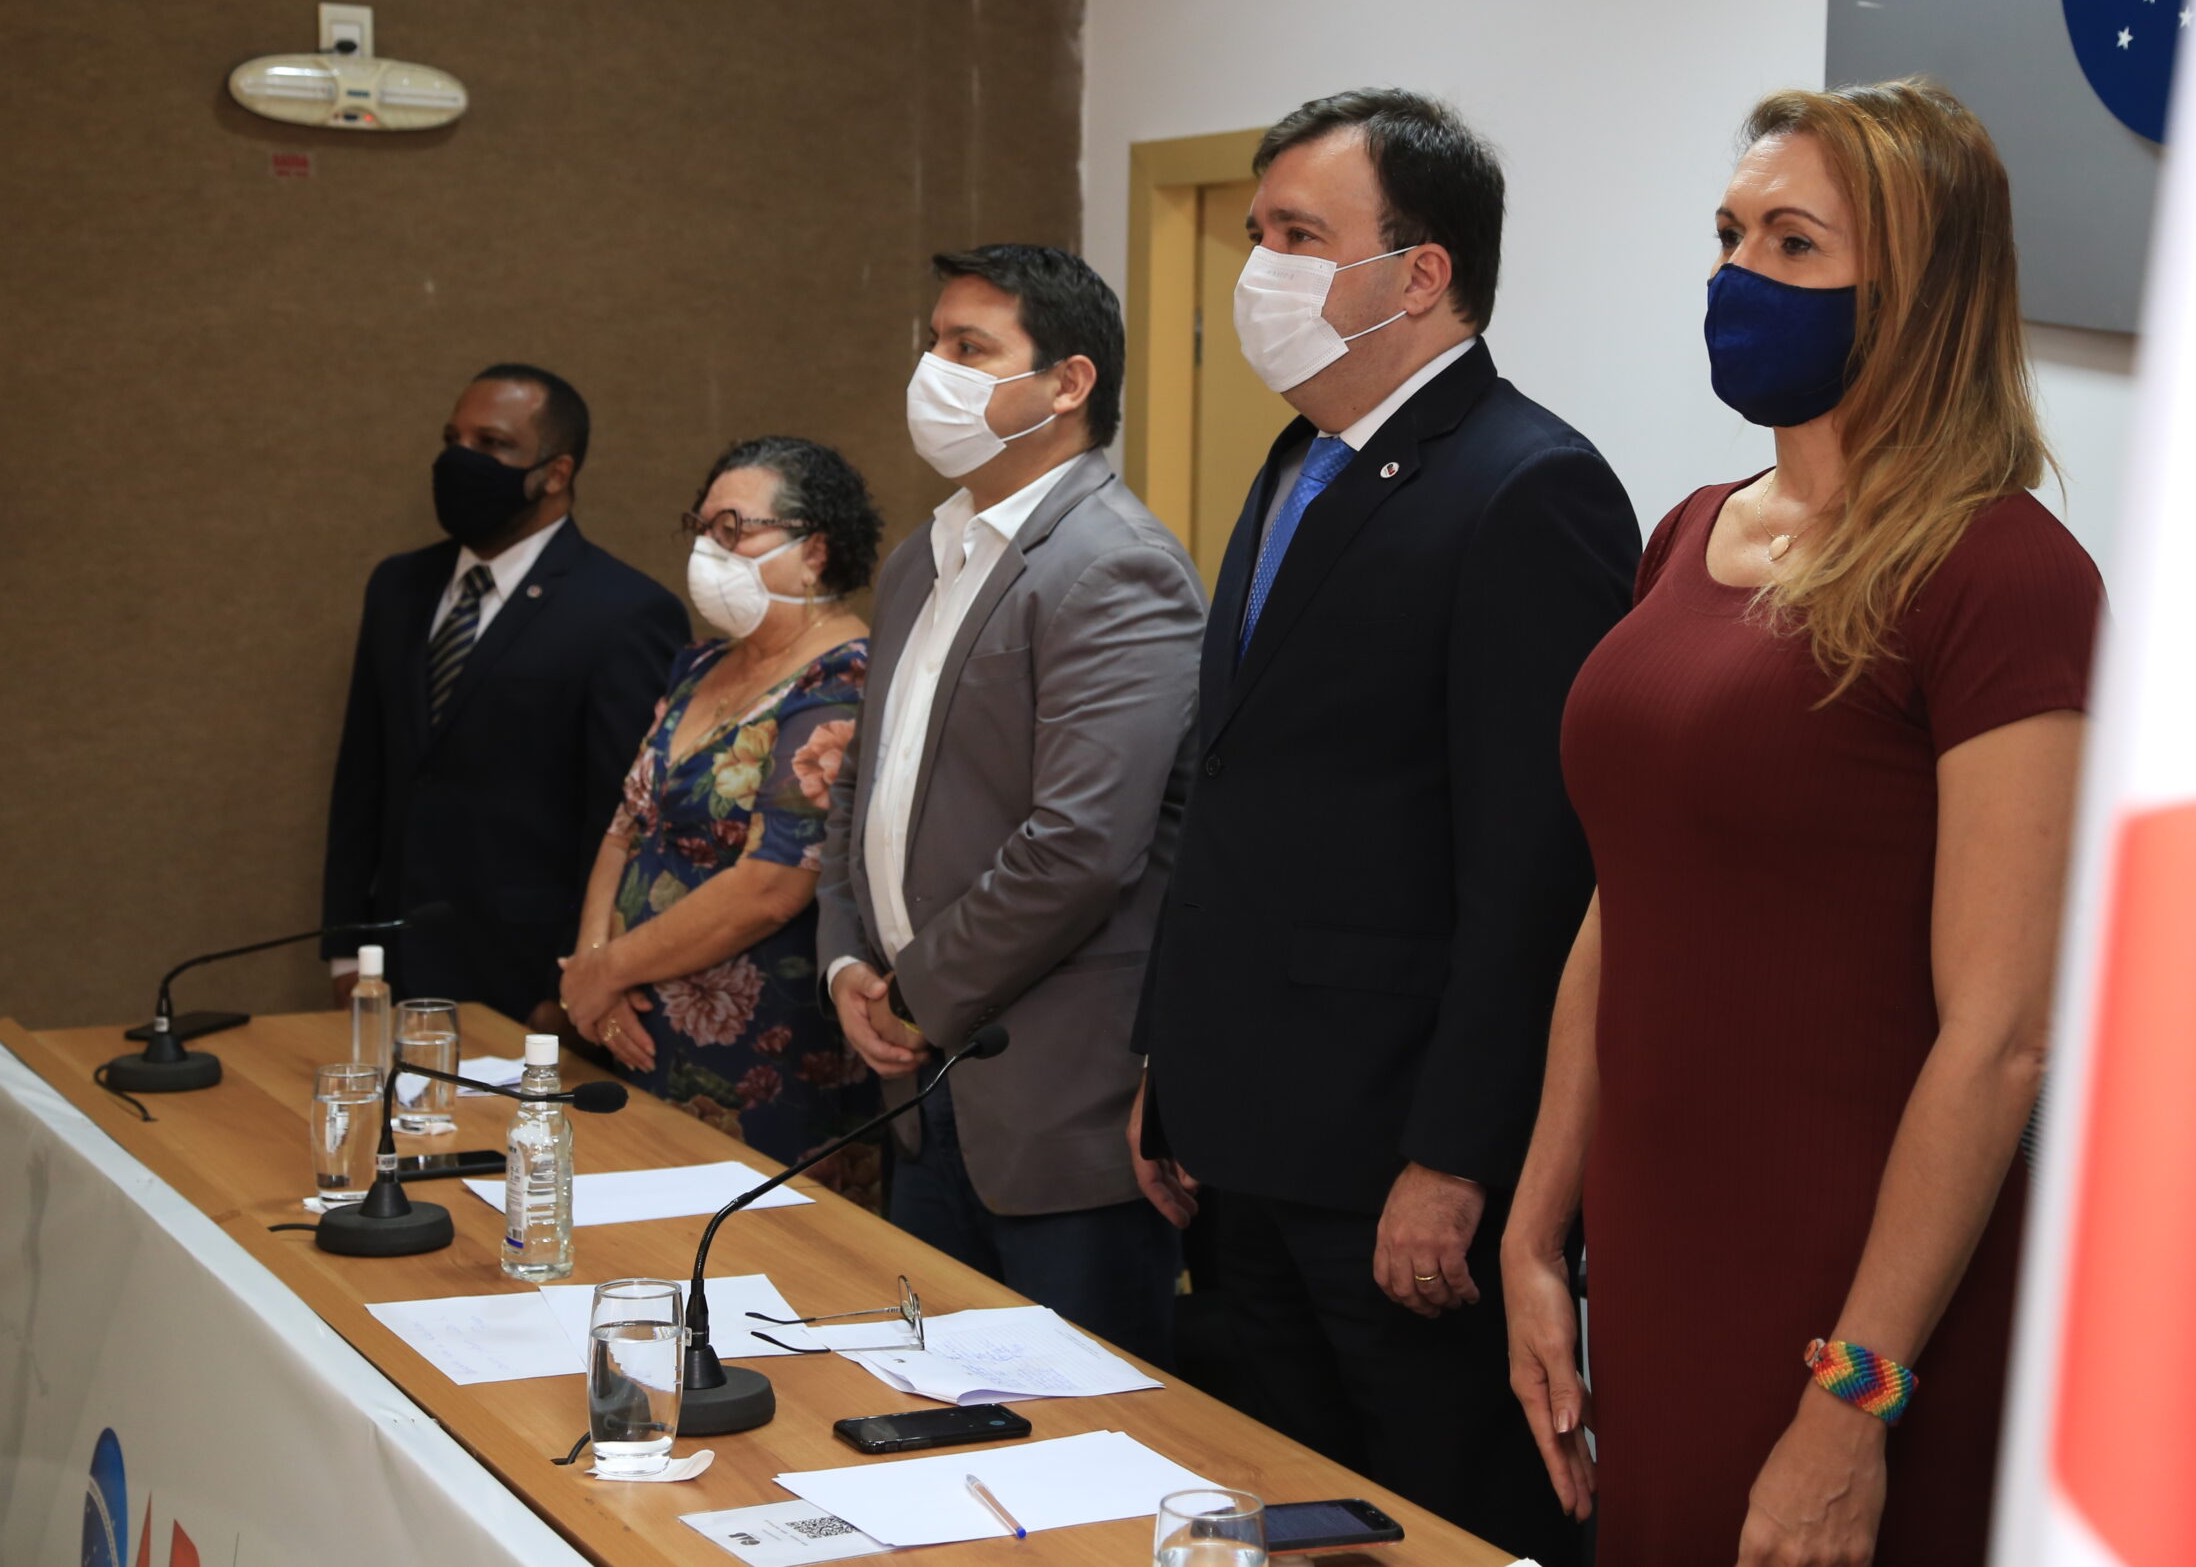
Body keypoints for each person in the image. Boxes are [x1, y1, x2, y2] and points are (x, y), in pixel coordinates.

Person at [1503, 79, 2104, 1567]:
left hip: (1853, 1281)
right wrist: (1535, 1225)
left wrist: (1856, 1398)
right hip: (1657, 1241)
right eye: (1729, 235)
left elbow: (2004, 1035)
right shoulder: (1689, 530)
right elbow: (1629, 896)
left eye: (1793, 244)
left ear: (1918, 292)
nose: (1737, 277)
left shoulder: (2002, 575)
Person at [1129, 89, 1638, 1563]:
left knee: (1438, 1521)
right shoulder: (1298, 457)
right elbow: (1234, 793)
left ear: (1421, 272)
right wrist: (1171, 1061)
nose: (1262, 267)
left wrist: (1457, 1157)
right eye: (1257, 231)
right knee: (1292, 1516)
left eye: (1299, 235)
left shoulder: (1529, 485)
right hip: (1243, 1136)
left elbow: (1536, 870)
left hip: (1395, 1163)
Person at [817, 245, 1203, 1367]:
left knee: (1071, 1430)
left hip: (1054, 1110)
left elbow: (1080, 848)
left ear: (1068, 383)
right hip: (917, 1084)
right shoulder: (920, 559)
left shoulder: (1115, 565)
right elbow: (863, 787)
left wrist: (915, 991)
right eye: (933, 342)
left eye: (969, 348)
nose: (931, 371)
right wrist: (847, 964)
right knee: (928, 1414)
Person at [558, 437, 886, 1197]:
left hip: (767, 1054)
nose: (709, 549)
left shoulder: (842, 677)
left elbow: (773, 885)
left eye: (734, 529)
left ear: (815, 551)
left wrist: (606, 971)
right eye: (702, 527)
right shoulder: (702, 663)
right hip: (640, 1023)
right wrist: (592, 969)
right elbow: (627, 823)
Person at [323, 364, 687, 1025]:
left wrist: (573, 984)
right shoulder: (398, 587)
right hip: (392, 963)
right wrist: (347, 950)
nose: (459, 460)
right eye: (452, 440)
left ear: (556, 472)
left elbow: (622, 818)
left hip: (526, 976)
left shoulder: (625, 611)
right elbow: (361, 777)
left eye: (491, 444)